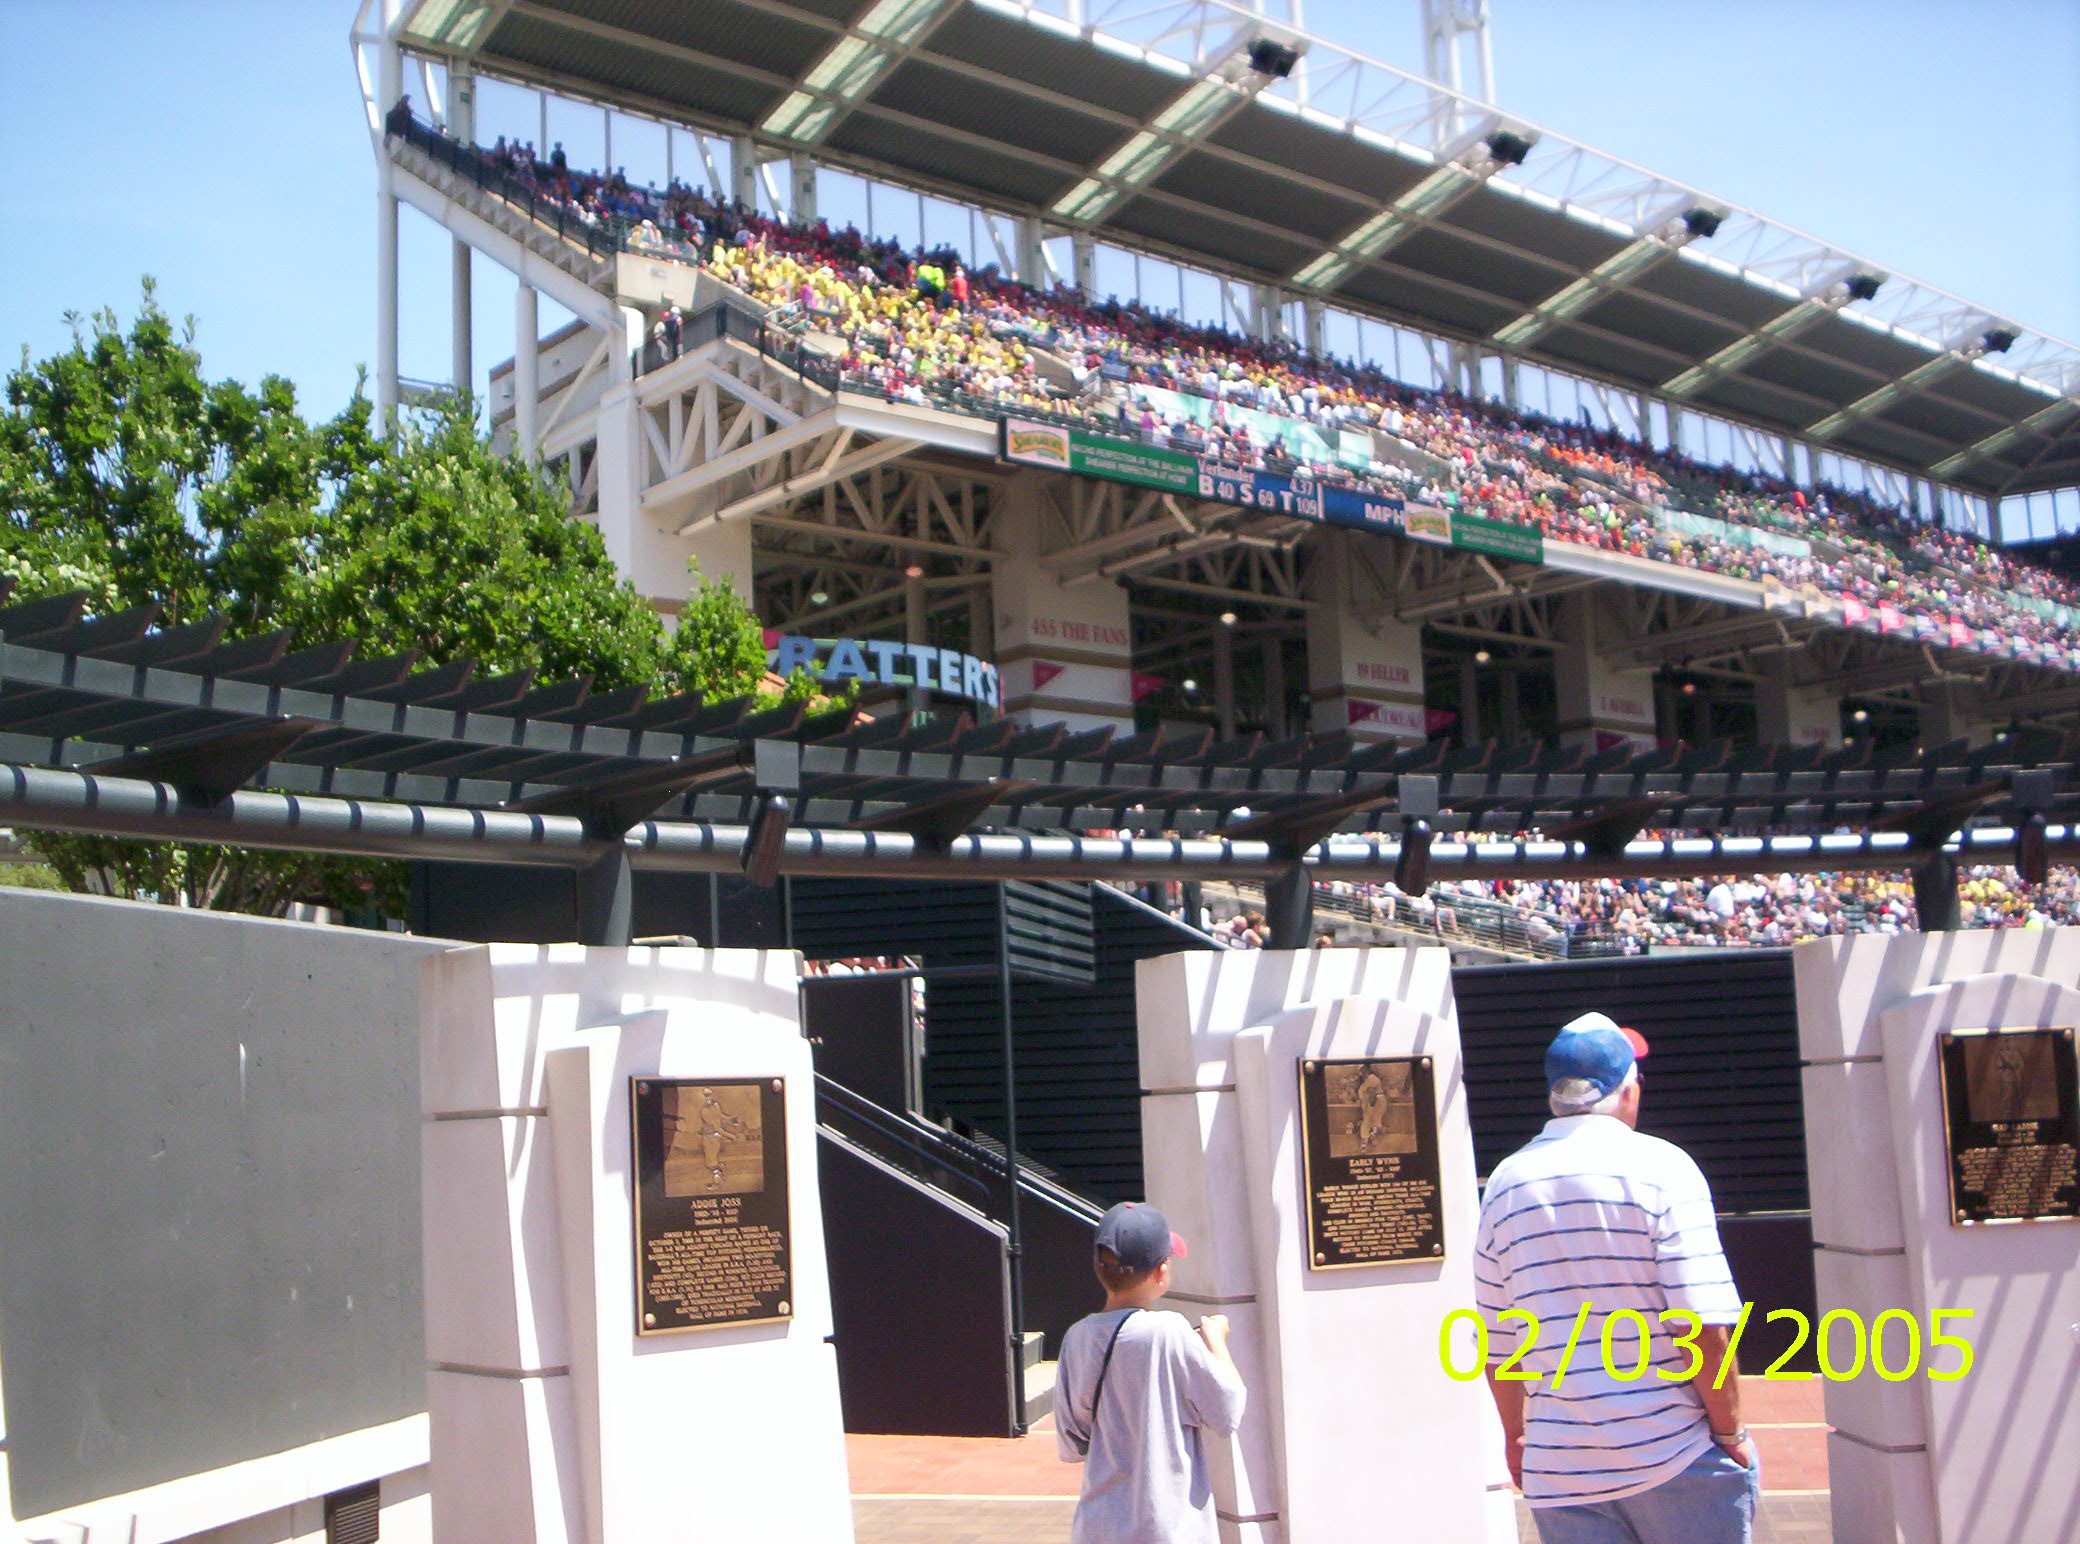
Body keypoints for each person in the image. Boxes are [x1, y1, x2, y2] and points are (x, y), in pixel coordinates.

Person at [1473, 1012, 1756, 1544]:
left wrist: (1518, 1438)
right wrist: (1730, 1431)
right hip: (1674, 1454)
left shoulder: (1505, 1183)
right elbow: (1702, 1325)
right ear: (1627, 1090)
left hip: (1562, 1470)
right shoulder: (1665, 1168)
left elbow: (1498, 1341)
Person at [1055, 1202, 1245, 1544]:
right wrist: (1216, 1339)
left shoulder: (1076, 1337)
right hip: (1167, 1528)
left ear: (1099, 1267)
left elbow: (1072, 1444)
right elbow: (1228, 1410)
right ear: (1161, 1271)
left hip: (1099, 1528)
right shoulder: (1169, 1331)